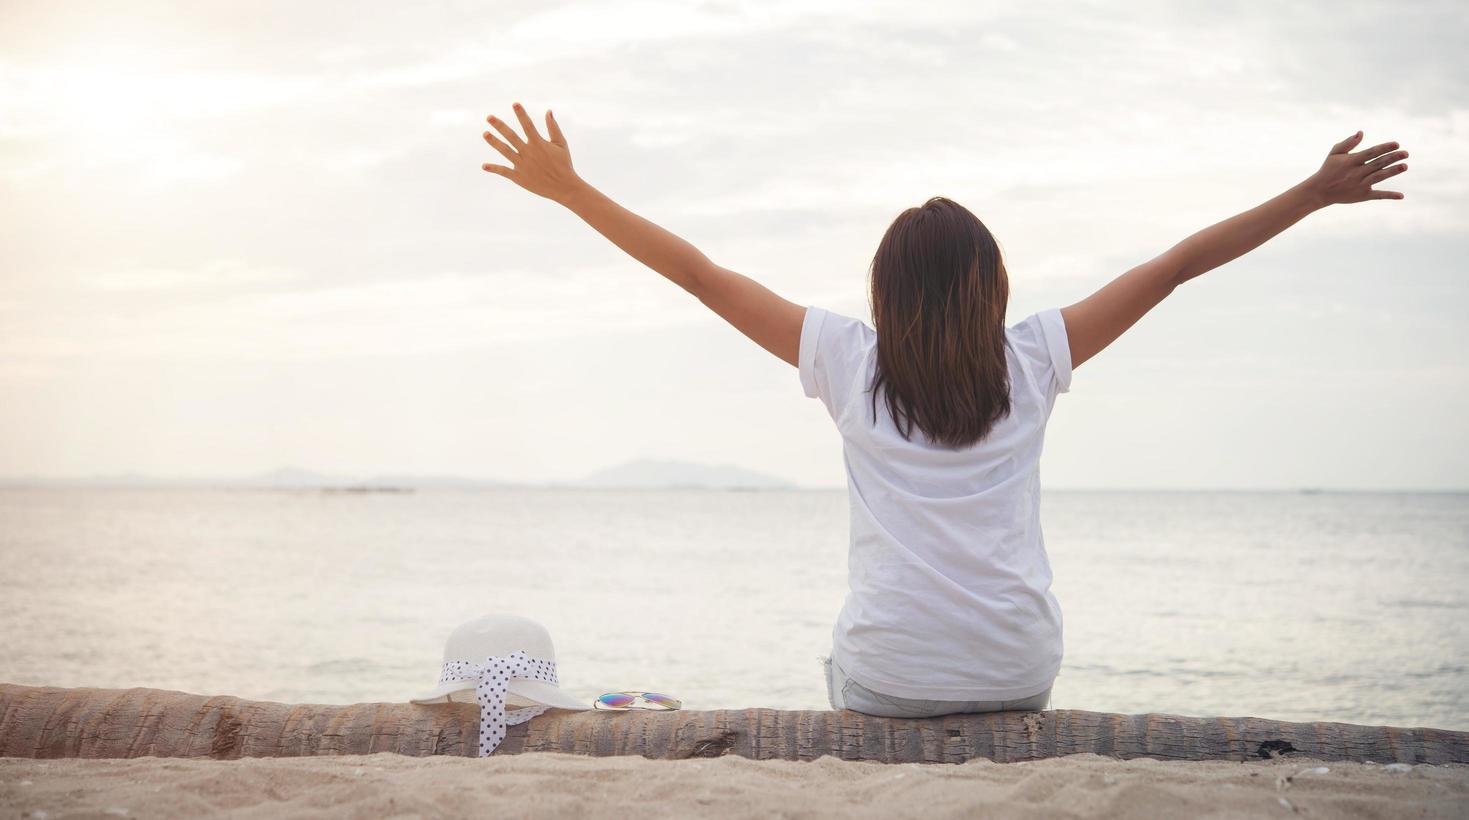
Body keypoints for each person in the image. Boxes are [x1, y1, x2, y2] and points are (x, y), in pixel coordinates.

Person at [479, 104, 1410, 716]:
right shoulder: (1036, 355)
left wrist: (571, 192)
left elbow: (699, 275)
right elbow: (1173, 267)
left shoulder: (847, 359)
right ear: (993, 285)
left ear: (884, 292)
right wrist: (1311, 195)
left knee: (846, 663)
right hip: (1017, 673)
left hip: (889, 679)